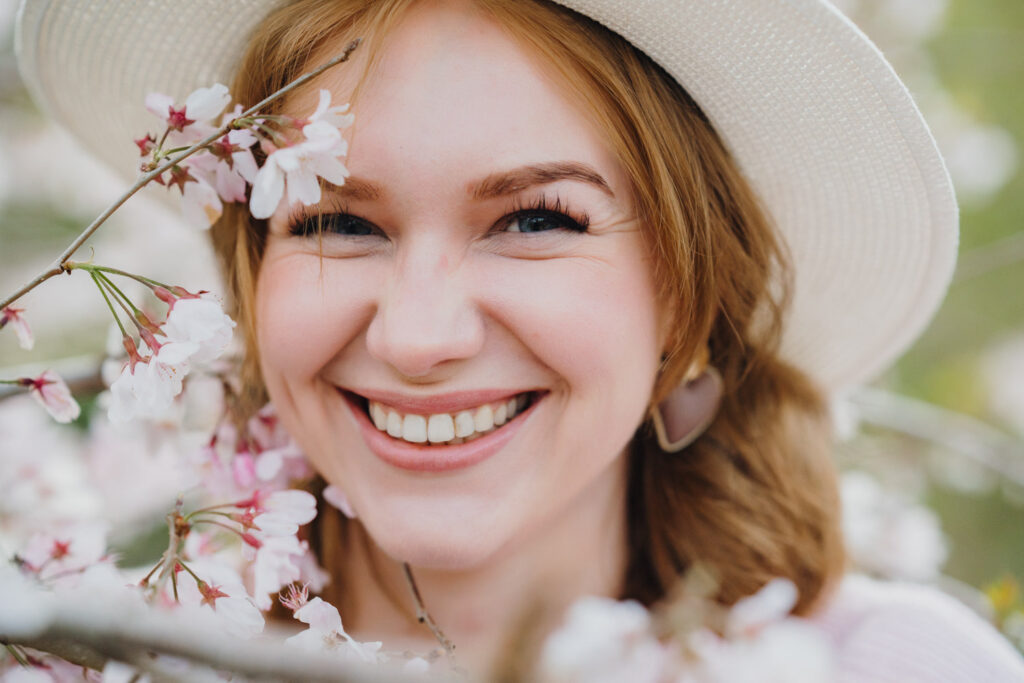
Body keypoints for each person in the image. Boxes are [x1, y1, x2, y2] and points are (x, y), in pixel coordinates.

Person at [15, 0, 1024, 679]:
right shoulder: (114, 657)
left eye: (536, 220)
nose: (419, 334)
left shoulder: (892, 666)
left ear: (687, 305)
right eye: (334, 220)